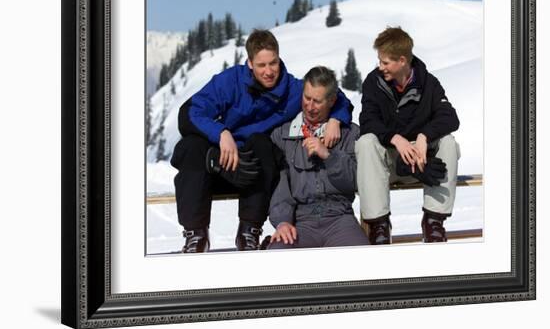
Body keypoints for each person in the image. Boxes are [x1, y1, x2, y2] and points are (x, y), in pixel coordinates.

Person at [170, 30, 353, 253]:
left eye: (273, 63)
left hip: (255, 170)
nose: (268, 71)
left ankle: (249, 231)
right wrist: (221, 133)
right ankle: (195, 234)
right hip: (221, 162)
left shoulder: (293, 90)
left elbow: (337, 97)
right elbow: (189, 113)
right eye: (261, 65)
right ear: (250, 63)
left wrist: (336, 118)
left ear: (279, 58)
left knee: (262, 143)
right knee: (190, 147)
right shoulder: (229, 82)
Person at [355, 27, 460, 244]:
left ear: (402, 61)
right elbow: (367, 120)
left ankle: (433, 222)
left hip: (424, 163)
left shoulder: (429, 83)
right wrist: (395, 138)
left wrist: (424, 137)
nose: (380, 67)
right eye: (379, 61)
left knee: (449, 142)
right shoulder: (373, 83)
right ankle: (379, 225)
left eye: (385, 62)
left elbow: (449, 117)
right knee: (366, 142)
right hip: (388, 166)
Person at [268, 66, 369, 249]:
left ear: (331, 101)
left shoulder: (349, 134)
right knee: (276, 257)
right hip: (300, 223)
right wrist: (282, 220)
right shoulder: (283, 136)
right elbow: (279, 184)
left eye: (317, 101)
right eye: (307, 98)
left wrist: (329, 156)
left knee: (362, 260)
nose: (310, 106)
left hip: (340, 218)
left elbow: (354, 182)